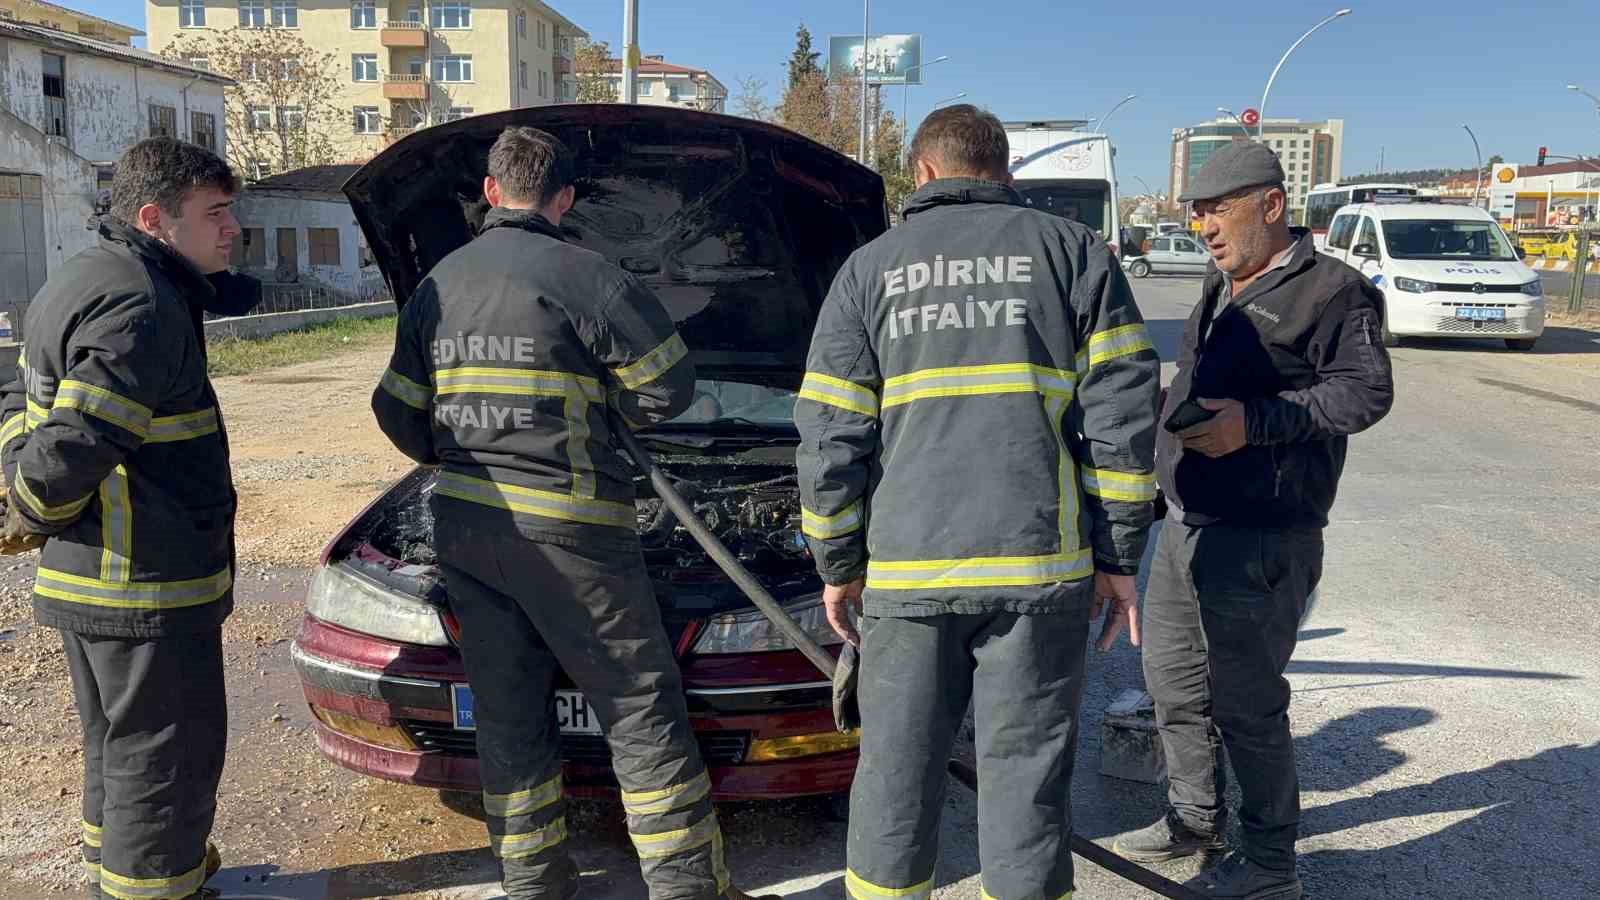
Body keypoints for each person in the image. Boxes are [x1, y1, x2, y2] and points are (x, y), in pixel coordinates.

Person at [371, 126, 774, 900]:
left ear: (491, 193)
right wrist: (599, 409)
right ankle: (688, 885)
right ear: (563, 200)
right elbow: (669, 389)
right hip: (575, 539)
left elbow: (398, 410)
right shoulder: (590, 276)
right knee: (637, 708)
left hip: (467, 530)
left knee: (509, 713)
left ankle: (533, 885)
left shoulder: (439, 284)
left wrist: (460, 447)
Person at [795, 105, 1160, 900]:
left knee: (895, 773)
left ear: (922, 173)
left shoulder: (870, 269)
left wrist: (838, 562)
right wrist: (1120, 557)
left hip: (907, 576)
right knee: (1025, 774)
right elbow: (1122, 421)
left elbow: (830, 435)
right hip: (1040, 570)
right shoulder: (1074, 255)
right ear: (1006, 174)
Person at [1111, 141, 1394, 899]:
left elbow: (1365, 394)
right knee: (1171, 682)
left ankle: (1270, 864)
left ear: (1272, 204)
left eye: (1218, 208)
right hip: (1186, 522)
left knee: (1246, 703)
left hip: (1262, 532)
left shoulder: (1334, 292)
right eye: (1196, 211)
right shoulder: (1220, 282)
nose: (1202, 224)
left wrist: (1257, 423)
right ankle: (1193, 820)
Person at [0, 137, 258, 900]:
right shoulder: (141, 302)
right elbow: (78, 437)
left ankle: (121, 876)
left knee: (117, 744)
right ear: (155, 218)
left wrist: (22, 499)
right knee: (164, 754)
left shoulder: (84, 275)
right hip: (144, 584)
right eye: (215, 213)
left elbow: (19, 400)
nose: (233, 228)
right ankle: (158, 888)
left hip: (95, 581)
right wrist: (30, 507)